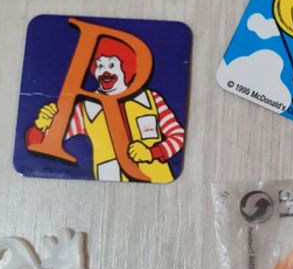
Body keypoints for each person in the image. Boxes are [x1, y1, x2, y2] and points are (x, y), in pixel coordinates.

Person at [26, 36, 185, 182]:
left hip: (158, 183)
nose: (104, 71)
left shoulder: (151, 99)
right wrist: (41, 125)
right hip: (108, 187)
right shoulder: (85, 109)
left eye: (111, 65)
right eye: (100, 65)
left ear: (125, 68)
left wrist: (153, 153)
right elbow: (42, 145)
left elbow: (178, 136)